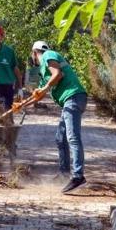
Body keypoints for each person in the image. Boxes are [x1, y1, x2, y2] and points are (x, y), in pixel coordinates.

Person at [30, 41, 88, 193]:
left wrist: (46, 87)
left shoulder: (48, 55)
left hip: (73, 97)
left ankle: (78, 176)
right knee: (60, 138)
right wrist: (24, 103)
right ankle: (64, 174)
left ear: (35, 52)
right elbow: (42, 91)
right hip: (71, 99)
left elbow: (58, 74)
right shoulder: (44, 69)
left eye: (33, 55)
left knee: (72, 137)